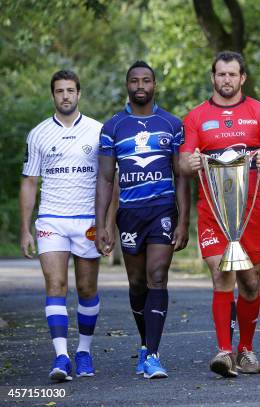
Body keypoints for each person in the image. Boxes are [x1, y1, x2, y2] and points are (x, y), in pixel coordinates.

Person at [180, 51, 260, 378]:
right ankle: (224, 351)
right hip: (213, 212)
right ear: (213, 77)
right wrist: (191, 163)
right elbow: (183, 163)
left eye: (232, 75)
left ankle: (246, 350)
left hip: (251, 210)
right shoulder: (196, 117)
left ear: (242, 78)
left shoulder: (259, 112)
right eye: (221, 74)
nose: (226, 80)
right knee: (221, 274)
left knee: (251, 283)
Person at [95, 61, 190, 379]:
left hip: (162, 210)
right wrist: (103, 225)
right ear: (127, 85)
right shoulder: (112, 127)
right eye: (134, 80)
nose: (140, 85)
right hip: (129, 215)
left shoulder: (172, 124)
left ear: (154, 85)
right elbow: (106, 180)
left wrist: (183, 221)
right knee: (137, 284)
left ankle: (152, 354)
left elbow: (182, 176)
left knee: (157, 276)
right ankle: (145, 344)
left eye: (146, 80)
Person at [20, 70, 108, 381]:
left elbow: (110, 180)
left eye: (71, 90)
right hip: (52, 221)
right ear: (53, 95)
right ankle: (61, 357)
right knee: (56, 286)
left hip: (87, 222)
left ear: (79, 94)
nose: (65, 96)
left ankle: (84, 351)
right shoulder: (39, 134)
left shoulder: (98, 131)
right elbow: (30, 182)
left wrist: (108, 222)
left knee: (87, 288)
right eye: (60, 91)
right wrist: (26, 228)